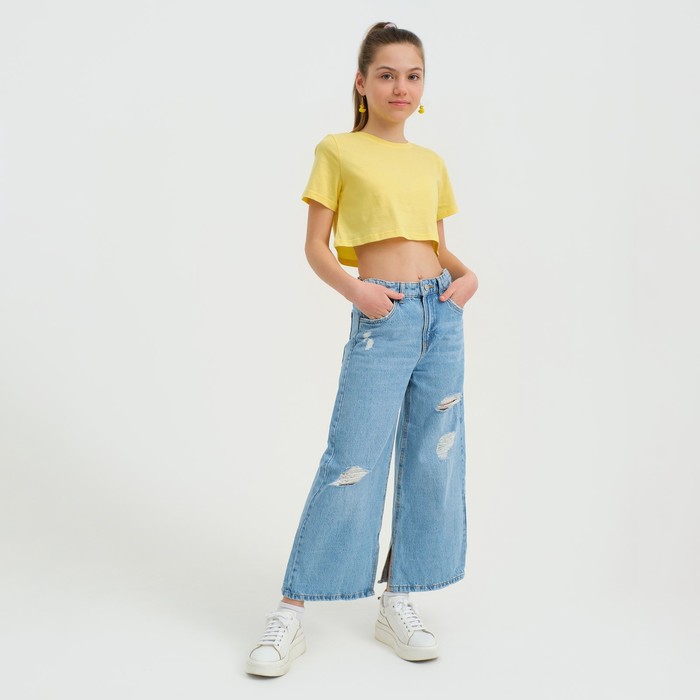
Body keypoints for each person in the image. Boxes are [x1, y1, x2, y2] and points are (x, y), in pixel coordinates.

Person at [245, 21, 478, 677]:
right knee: (352, 457)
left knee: (434, 456)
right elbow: (315, 246)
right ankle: (292, 611)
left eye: (413, 76)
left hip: (441, 316)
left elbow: (434, 246)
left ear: (423, 86)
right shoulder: (338, 151)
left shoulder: (431, 163)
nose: (401, 87)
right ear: (362, 82)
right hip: (385, 316)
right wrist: (358, 292)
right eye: (387, 74)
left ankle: (399, 599)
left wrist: (467, 280)